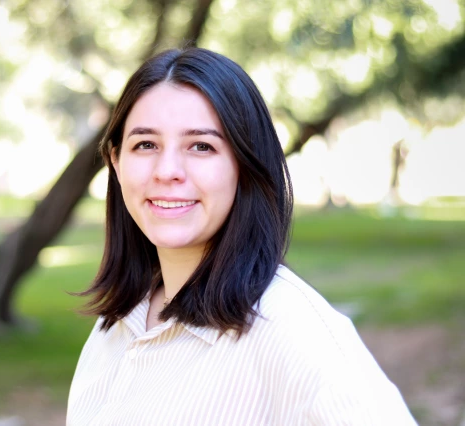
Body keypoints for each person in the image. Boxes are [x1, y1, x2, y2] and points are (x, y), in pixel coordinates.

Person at [67, 47, 417, 425]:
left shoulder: (293, 331)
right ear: (116, 163)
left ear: (246, 165)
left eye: (202, 146)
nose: (167, 171)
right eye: (146, 145)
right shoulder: (120, 323)